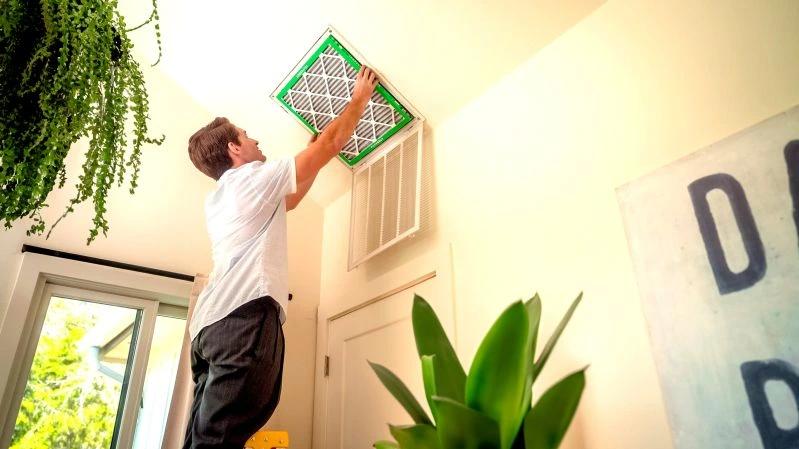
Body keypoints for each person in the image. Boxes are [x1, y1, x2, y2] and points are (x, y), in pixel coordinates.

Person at [183, 66, 379, 448]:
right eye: (246, 135)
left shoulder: (224, 196)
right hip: (240, 320)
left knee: (205, 440)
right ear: (234, 149)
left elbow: (290, 199)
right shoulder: (250, 179)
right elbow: (329, 147)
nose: (255, 140)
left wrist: (314, 157)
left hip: (209, 329)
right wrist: (359, 99)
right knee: (218, 439)